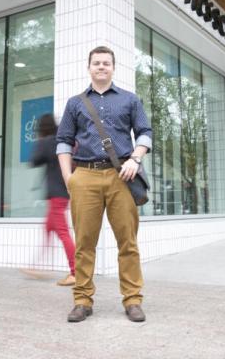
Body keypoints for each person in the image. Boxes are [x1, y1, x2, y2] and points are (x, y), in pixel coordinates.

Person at [56, 45, 152, 323]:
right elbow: (63, 140)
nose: (101, 67)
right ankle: (82, 300)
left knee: (128, 241)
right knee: (84, 242)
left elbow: (145, 132)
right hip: (84, 175)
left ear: (113, 67)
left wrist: (136, 158)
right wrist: (68, 178)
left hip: (122, 174)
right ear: (89, 67)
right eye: (96, 63)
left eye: (106, 63)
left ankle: (133, 300)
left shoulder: (130, 100)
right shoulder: (75, 103)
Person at [22, 114, 76, 286]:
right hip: (62, 194)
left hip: (55, 195)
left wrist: (39, 141)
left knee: (63, 233)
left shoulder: (46, 142)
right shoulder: (61, 142)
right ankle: (37, 267)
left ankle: (76, 271)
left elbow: (33, 161)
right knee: (48, 229)